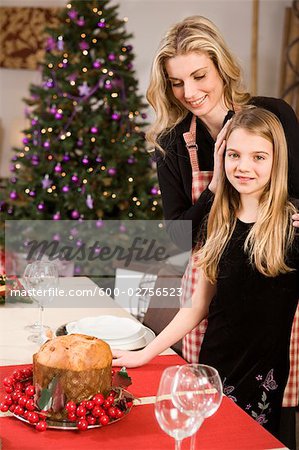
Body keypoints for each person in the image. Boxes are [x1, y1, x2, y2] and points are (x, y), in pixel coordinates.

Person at [145, 16, 299, 447]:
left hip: (271, 280)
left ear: (221, 68)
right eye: (176, 82)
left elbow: (295, 190)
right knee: (211, 409)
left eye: (199, 75)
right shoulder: (173, 143)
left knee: (270, 420)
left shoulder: (271, 116)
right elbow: (177, 239)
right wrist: (214, 190)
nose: (189, 92)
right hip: (211, 283)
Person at [113, 107, 299, 443]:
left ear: (277, 161)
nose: (243, 166)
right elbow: (197, 305)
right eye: (234, 155)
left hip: (262, 378)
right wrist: (146, 353)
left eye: (258, 156)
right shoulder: (218, 221)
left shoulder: (292, 228)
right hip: (210, 369)